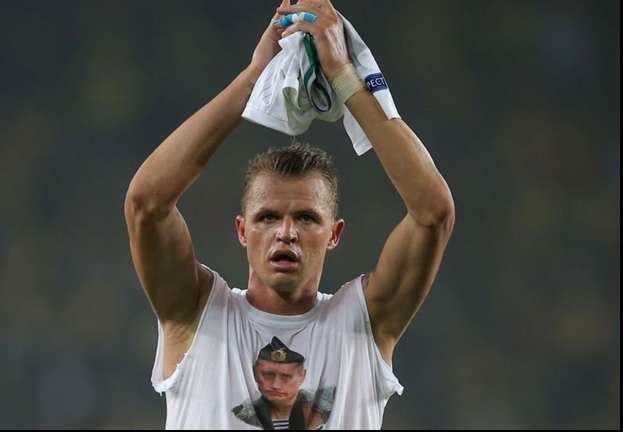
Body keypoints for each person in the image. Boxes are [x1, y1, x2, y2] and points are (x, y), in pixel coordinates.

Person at [124, 0, 454, 429]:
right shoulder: (196, 313)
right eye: (267, 217)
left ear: (334, 233)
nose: (286, 232)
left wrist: (344, 76)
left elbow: (433, 212)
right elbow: (146, 204)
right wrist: (253, 79)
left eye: (306, 218)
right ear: (242, 230)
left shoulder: (365, 324)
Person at [233, 337, 334, 430]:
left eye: (286, 376)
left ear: (302, 375)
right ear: (255, 374)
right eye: (268, 375)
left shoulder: (324, 413)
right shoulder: (242, 416)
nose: (276, 385)